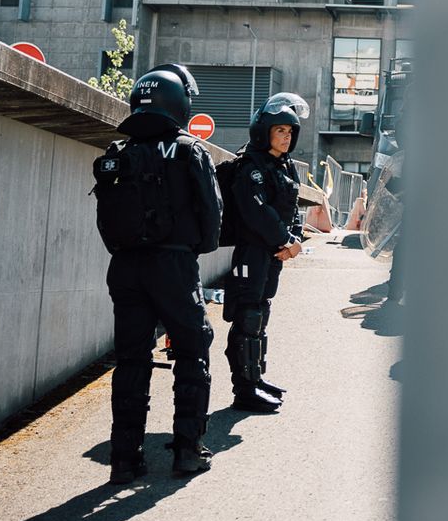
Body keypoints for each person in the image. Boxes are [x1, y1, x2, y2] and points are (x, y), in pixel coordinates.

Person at [92, 64, 223, 481]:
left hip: (126, 267)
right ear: (180, 103)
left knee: (131, 359)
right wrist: (191, 248)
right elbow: (212, 217)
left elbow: (105, 221)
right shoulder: (190, 150)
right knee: (192, 349)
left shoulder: (119, 154)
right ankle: (187, 449)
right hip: (174, 265)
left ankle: (124, 458)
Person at [222, 91, 312, 415]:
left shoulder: (284, 166)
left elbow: (293, 208)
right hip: (252, 253)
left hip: (272, 254)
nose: (286, 137)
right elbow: (256, 212)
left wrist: (295, 239)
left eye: (290, 132)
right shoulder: (252, 165)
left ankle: (256, 379)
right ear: (265, 132)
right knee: (248, 317)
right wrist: (285, 241)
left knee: (261, 313)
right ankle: (243, 390)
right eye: (280, 131)